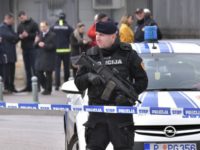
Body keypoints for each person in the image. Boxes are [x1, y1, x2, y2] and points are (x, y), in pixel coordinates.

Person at [75, 21, 148, 150]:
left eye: (102, 35)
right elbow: (78, 83)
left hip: (121, 115)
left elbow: (142, 81)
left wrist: (127, 96)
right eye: (97, 34)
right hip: (97, 115)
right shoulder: (91, 55)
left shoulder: (128, 54)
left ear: (113, 36)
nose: (97, 37)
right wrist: (89, 77)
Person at [17, 11, 39, 92]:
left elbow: (38, 35)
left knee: (34, 68)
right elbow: (17, 36)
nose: (21, 20)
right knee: (27, 68)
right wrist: (20, 36)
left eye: (22, 18)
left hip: (33, 49)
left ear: (25, 16)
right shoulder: (20, 25)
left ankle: (37, 87)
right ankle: (28, 87)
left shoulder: (33, 24)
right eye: (20, 19)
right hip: (25, 49)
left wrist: (28, 35)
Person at [52, 12, 74, 90]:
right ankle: (66, 84)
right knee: (66, 68)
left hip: (57, 51)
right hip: (66, 50)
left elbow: (50, 35)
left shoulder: (54, 27)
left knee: (57, 68)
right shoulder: (68, 27)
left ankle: (57, 85)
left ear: (58, 18)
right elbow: (73, 35)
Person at [34, 21, 56, 95]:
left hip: (49, 57)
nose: (42, 28)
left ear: (47, 26)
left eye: (43, 26)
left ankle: (48, 90)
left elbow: (53, 46)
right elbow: (34, 46)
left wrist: (44, 45)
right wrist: (36, 42)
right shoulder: (39, 35)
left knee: (48, 73)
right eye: (41, 27)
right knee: (38, 72)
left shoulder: (52, 35)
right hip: (40, 57)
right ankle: (45, 86)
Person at [0, 13, 19, 93]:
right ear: (7, 19)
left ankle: (11, 87)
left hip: (11, 54)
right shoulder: (2, 28)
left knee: (12, 71)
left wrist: (15, 37)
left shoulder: (10, 28)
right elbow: (12, 36)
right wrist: (14, 37)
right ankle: (6, 87)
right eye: (12, 20)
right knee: (6, 71)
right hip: (5, 54)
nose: (13, 21)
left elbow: (15, 38)